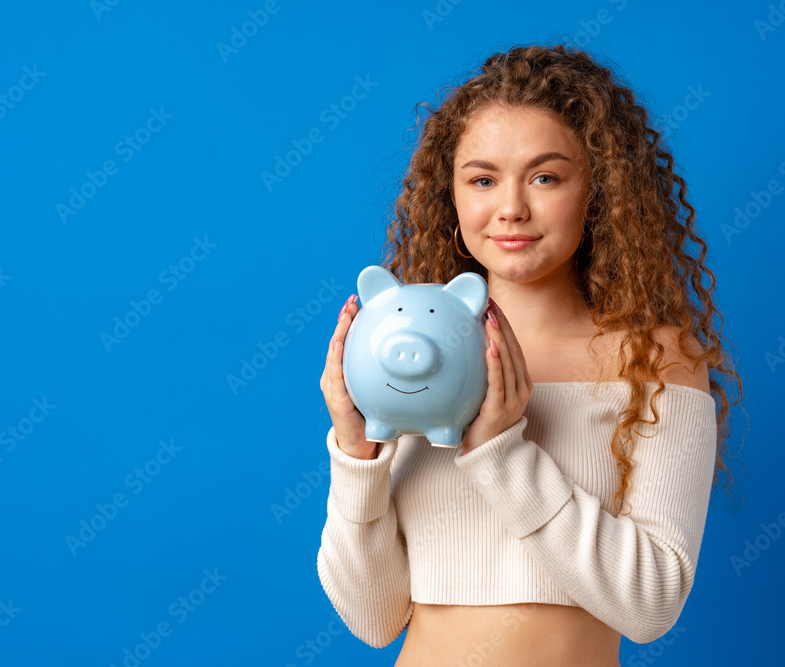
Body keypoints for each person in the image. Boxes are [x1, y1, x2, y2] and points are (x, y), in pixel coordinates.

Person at [317, 43, 745, 666]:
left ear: (598, 189)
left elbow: (651, 605)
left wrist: (502, 452)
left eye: (545, 177)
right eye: (482, 180)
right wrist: (357, 455)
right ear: (452, 195)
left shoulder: (654, 360)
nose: (511, 208)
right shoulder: (406, 357)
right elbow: (372, 619)